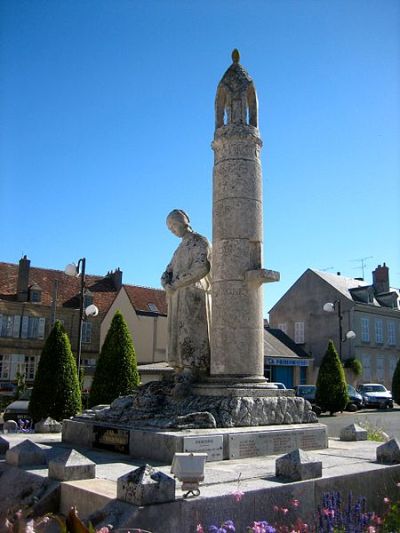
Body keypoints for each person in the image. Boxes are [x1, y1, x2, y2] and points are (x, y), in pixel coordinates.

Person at [161, 209, 211, 381]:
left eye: (174, 224)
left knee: (190, 330)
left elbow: (202, 267)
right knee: (176, 331)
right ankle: (180, 368)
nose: (173, 230)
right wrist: (165, 280)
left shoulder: (199, 241)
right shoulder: (179, 248)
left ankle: (194, 366)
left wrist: (176, 283)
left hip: (193, 293)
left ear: (185, 221)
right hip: (176, 295)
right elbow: (169, 269)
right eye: (170, 228)